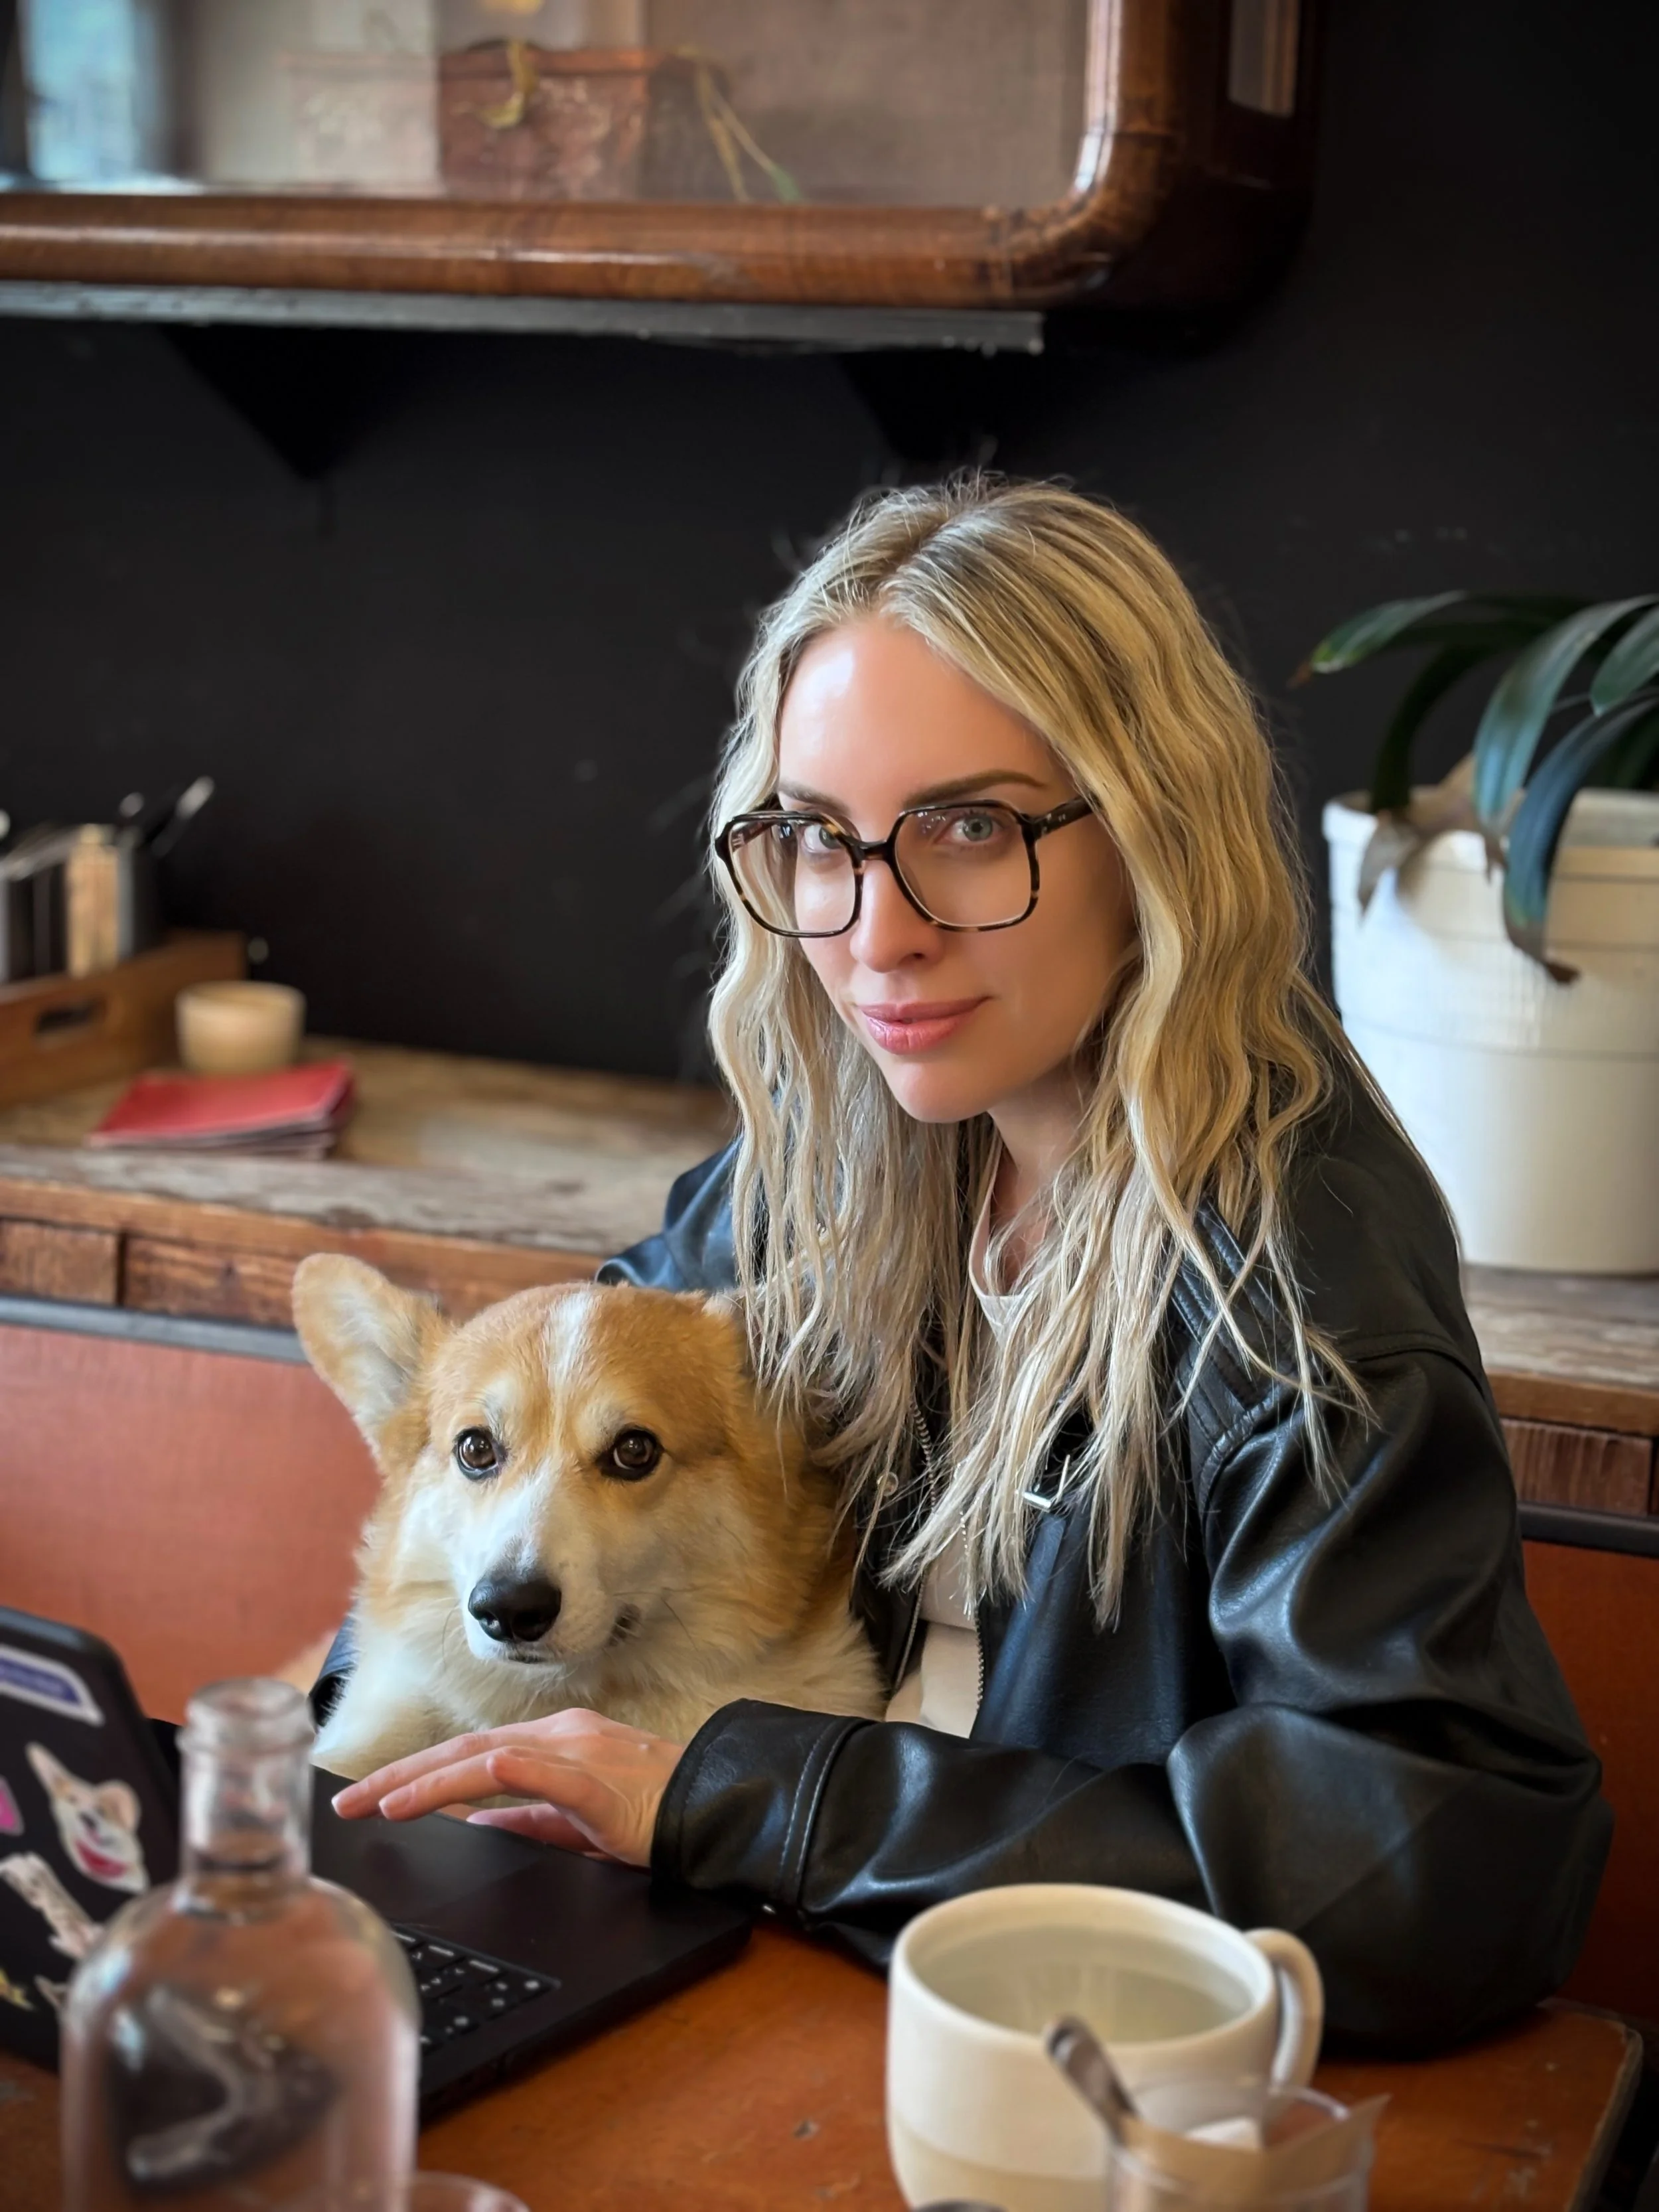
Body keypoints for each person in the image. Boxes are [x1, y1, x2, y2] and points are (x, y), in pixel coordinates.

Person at [328, 479, 1609, 2049]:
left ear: (1153, 829)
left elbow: (1422, 1875)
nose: (875, 933)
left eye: (968, 827)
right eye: (815, 838)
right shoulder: (833, 1151)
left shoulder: (1298, 1280)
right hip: (785, 1960)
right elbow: (535, 1443)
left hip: (1074, 2052)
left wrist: (754, 1796)